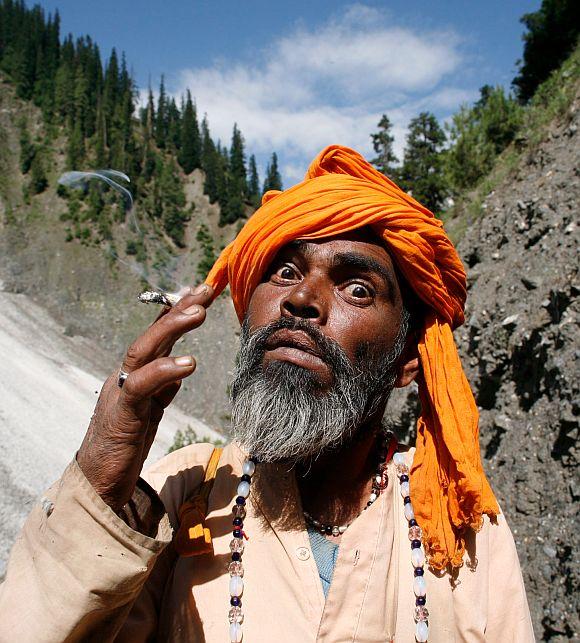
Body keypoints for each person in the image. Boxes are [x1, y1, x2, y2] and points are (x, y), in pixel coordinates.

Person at [0, 146, 534, 642]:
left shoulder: (460, 530)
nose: (301, 298)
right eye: (284, 271)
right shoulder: (176, 494)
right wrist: (99, 484)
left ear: (405, 361)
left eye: (357, 288)